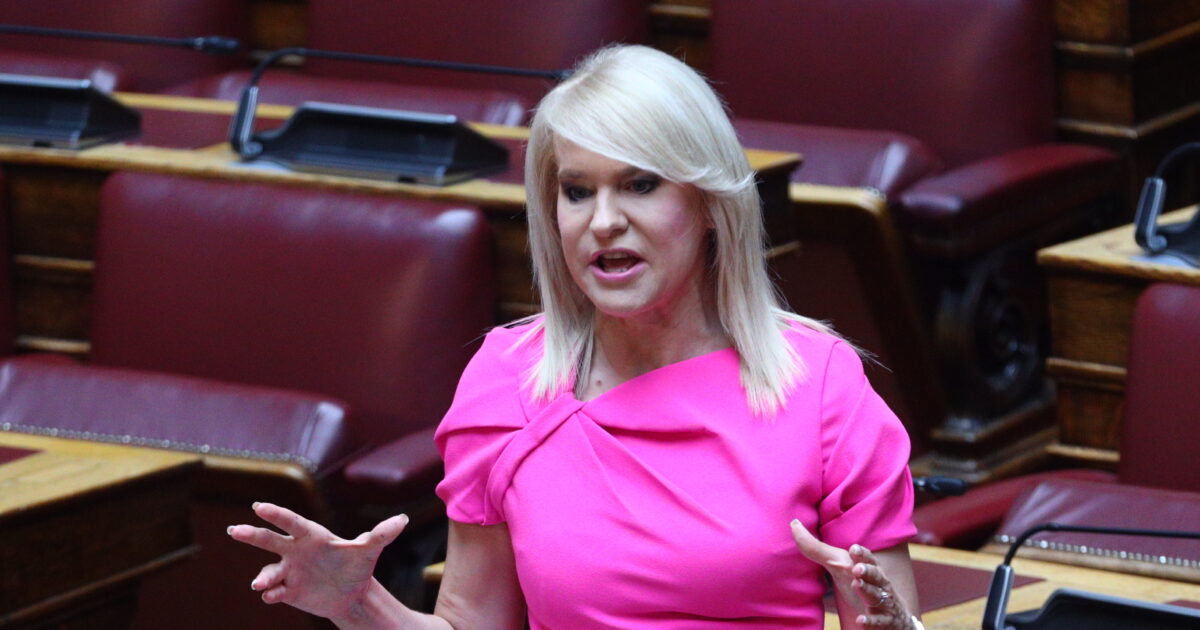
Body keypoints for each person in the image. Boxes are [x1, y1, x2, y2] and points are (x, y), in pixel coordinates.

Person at [229, 44, 923, 630]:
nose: (603, 221)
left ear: (710, 203)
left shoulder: (820, 386)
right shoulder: (509, 379)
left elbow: (886, 617)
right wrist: (361, 606)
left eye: (640, 185)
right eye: (578, 190)